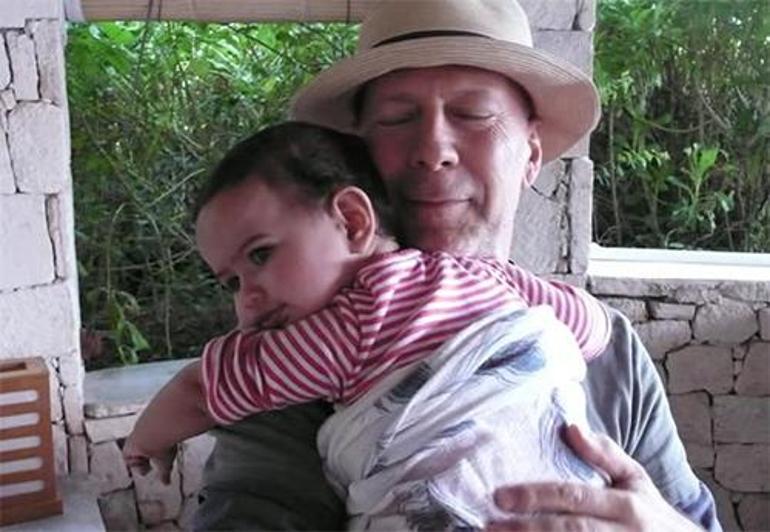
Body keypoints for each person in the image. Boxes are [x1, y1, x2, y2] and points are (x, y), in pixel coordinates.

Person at [194, 0, 722, 530]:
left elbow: (695, 521)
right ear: (354, 160)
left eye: (473, 114)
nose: (433, 149)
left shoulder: (612, 351)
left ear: (531, 154)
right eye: (397, 118)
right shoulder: (286, 361)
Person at [124, 121, 613, 528]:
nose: (248, 297)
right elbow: (591, 326)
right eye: (231, 282)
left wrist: (146, 441)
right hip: (577, 502)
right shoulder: (487, 275)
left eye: (260, 255)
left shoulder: (346, 331)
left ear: (353, 222)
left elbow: (203, 389)